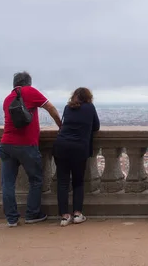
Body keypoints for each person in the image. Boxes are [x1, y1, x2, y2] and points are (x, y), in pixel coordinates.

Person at [0, 71, 62, 227]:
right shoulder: (30, 91)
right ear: (29, 82)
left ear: (14, 83)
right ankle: (32, 214)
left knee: (7, 184)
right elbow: (51, 108)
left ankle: (12, 219)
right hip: (26, 145)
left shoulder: (7, 99)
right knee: (35, 180)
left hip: (6, 144)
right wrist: (61, 126)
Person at [53, 87, 100, 227]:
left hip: (61, 147)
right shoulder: (90, 108)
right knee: (78, 181)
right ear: (88, 97)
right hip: (79, 148)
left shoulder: (68, 108)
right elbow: (96, 126)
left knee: (62, 182)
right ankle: (77, 213)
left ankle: (64, 216)